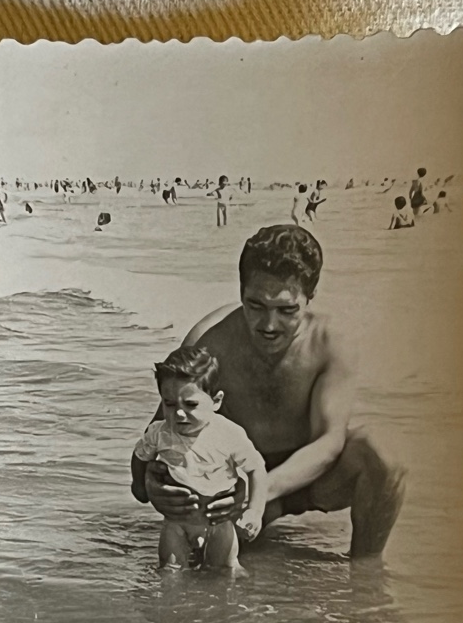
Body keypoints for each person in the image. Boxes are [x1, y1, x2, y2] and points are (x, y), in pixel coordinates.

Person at [141, 226, 404, 559]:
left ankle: (364, 581)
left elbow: (329, 441)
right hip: (228, 484)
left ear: (310, 296)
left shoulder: (330, 344)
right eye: (255, 305)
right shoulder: (211, 342)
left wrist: (259, 490)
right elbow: (161, 432)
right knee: (204, 581)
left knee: (384, 456)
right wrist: (153, 486)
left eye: (286, 310)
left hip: (306, 482)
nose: (268, 324)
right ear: (240, 290)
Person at [131, 346, 267, 571]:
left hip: (218, 522)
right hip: (177, 523)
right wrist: (139, 487)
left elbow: (256, 468)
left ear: (216, 401)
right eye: (170, 404)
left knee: (226, 571)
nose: (179, 413)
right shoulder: (159, 432)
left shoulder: (229, 434)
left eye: (191, 404)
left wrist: (254, 511)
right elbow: (139, 456)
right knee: (169, 573)